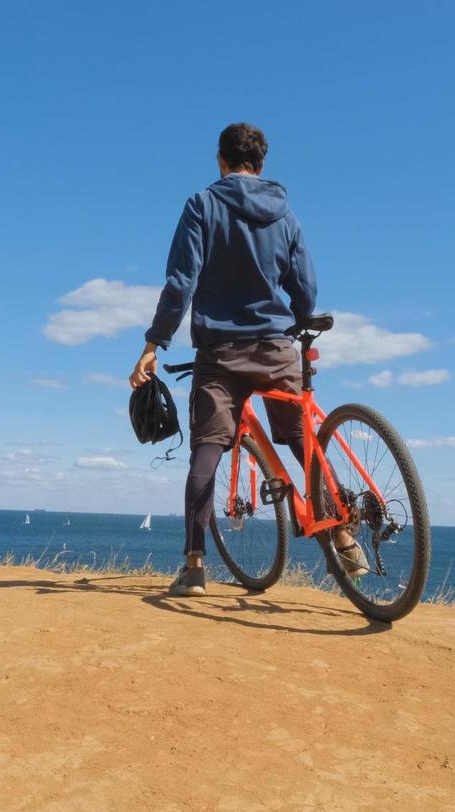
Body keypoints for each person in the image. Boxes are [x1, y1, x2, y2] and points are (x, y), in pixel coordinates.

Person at [129, 122, 366, 597]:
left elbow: (182, 283)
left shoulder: (202, 204)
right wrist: (296, 318)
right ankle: (342, 533)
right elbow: (305, 284)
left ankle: (194, 566)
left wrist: (154, 343)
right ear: (261, 164)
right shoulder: (287, 215)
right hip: (277, 348)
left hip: (220, 351)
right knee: (302, 440)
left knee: (208, 448)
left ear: (220, 159)